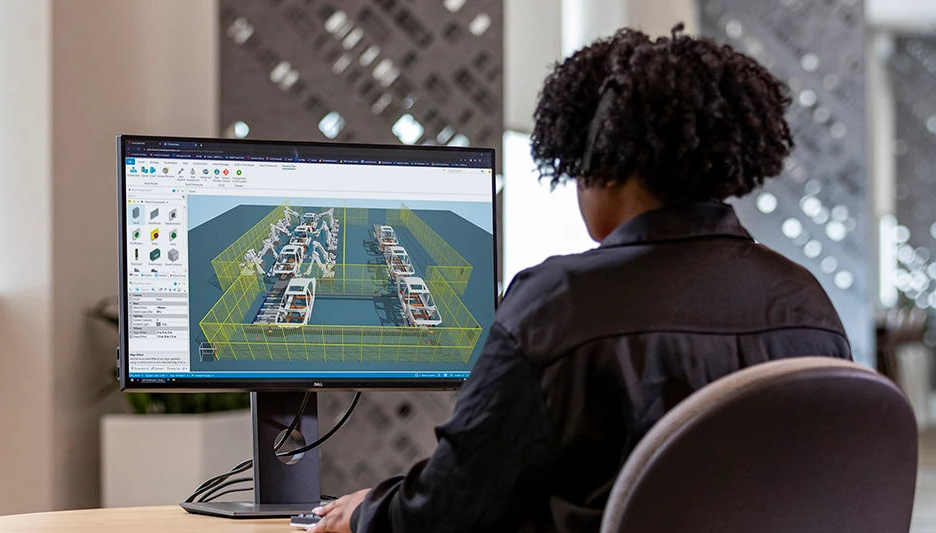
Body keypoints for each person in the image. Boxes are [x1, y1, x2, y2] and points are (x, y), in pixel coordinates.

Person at [308, 24, 851, 533]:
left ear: (603, 166)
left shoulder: (560, 306)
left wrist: (366, 510)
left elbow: (451, 507)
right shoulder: (808, 305)